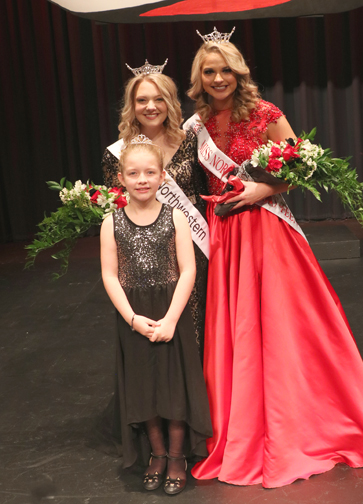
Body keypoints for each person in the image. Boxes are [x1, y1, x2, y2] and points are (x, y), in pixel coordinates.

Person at [185, 28, 363, 489]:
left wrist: (262, 188)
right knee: (237, 330)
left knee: (282, 326)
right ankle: (241, 421)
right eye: (209, 71)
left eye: (225, 70)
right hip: (225, 236)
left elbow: (302, 167)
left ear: (239, 73)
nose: (218, 78)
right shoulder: (196, 124)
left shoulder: (265, 113)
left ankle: (297, 418)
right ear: (199, 78)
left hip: (266, 230)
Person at [100, 136, 212, 495]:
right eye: (134, 173)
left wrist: (171, 319)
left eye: (150, 172)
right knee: (144, 387)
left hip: (170, 313)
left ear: (163, 176)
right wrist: (132, 318)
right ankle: (157, 455)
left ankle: (178, 457)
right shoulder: (110, 222)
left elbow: (188, 271)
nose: (142, 179)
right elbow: (109, 275)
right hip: (134, 316)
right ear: (121, 178)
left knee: (172, 386)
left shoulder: (176, 217)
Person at [102, 61, 208, 351]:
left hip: (195, 245)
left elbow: (206, 191)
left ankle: (196, 388)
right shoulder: (117, 153)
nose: (151, 106)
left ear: (170, 103)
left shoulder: (192, 142)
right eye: (142, 100)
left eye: (159, 98)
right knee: (153, 324)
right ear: (131, 105)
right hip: (145, 252)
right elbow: (117, 210)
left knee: (197, 319)